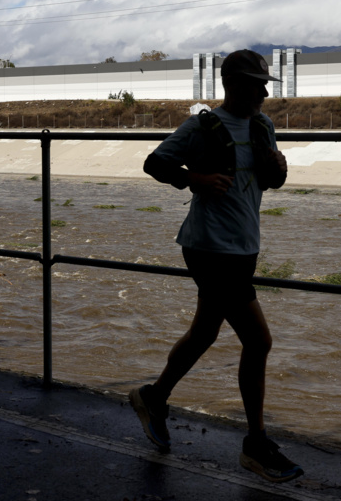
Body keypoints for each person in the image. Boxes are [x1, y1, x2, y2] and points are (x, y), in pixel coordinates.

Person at [129, 49, 302, 483]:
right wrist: (195, 179)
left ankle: (154, 397)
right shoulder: (202, 127)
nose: (263, 92)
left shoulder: (263, 127)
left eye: (265, 84)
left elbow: (271, 181)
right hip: (209, 247)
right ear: (232, 85)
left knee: (206, 331)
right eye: (255, 84)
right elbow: (155, 162)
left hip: (243, 246)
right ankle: (256, 445)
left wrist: (279, 168)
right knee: (259, 341)